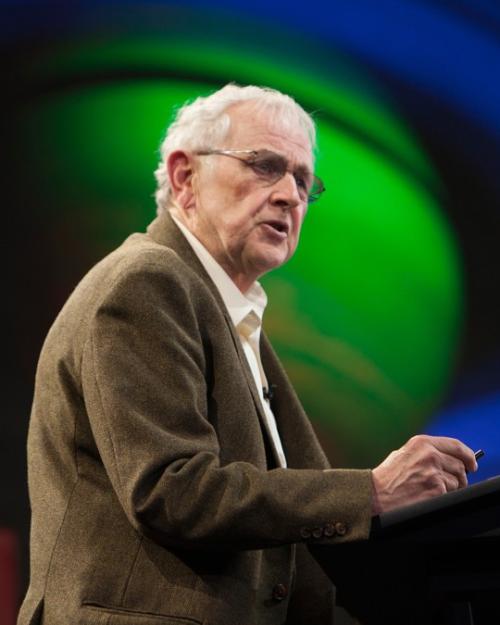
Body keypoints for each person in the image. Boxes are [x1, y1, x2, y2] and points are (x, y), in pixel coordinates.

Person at [18, 84, 477, 625]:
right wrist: (370, 492)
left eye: (304, 181)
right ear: (186, 176)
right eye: (264, 166)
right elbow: (172, 491)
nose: (290, 195)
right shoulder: (146, 283)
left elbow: (291, 556)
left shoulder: (230, 311)